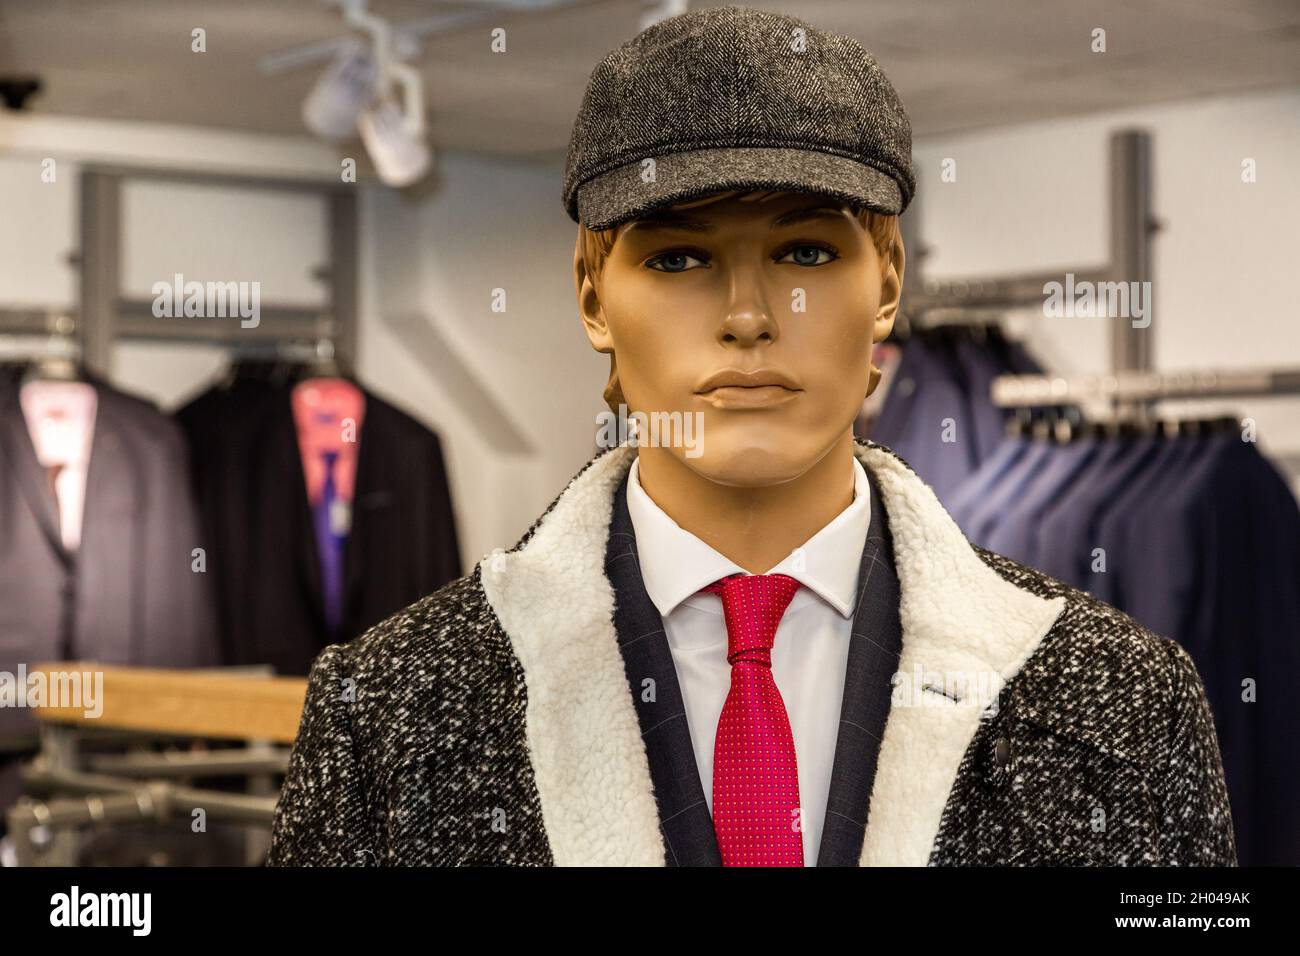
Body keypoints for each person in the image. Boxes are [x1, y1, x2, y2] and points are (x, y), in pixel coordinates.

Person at [267, 5, 1235, 867]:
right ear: (593, 293)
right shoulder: (388, 710)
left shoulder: (1123, 700)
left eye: (804, 250)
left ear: (888, 281)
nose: (746, 314)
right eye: (679, 255)